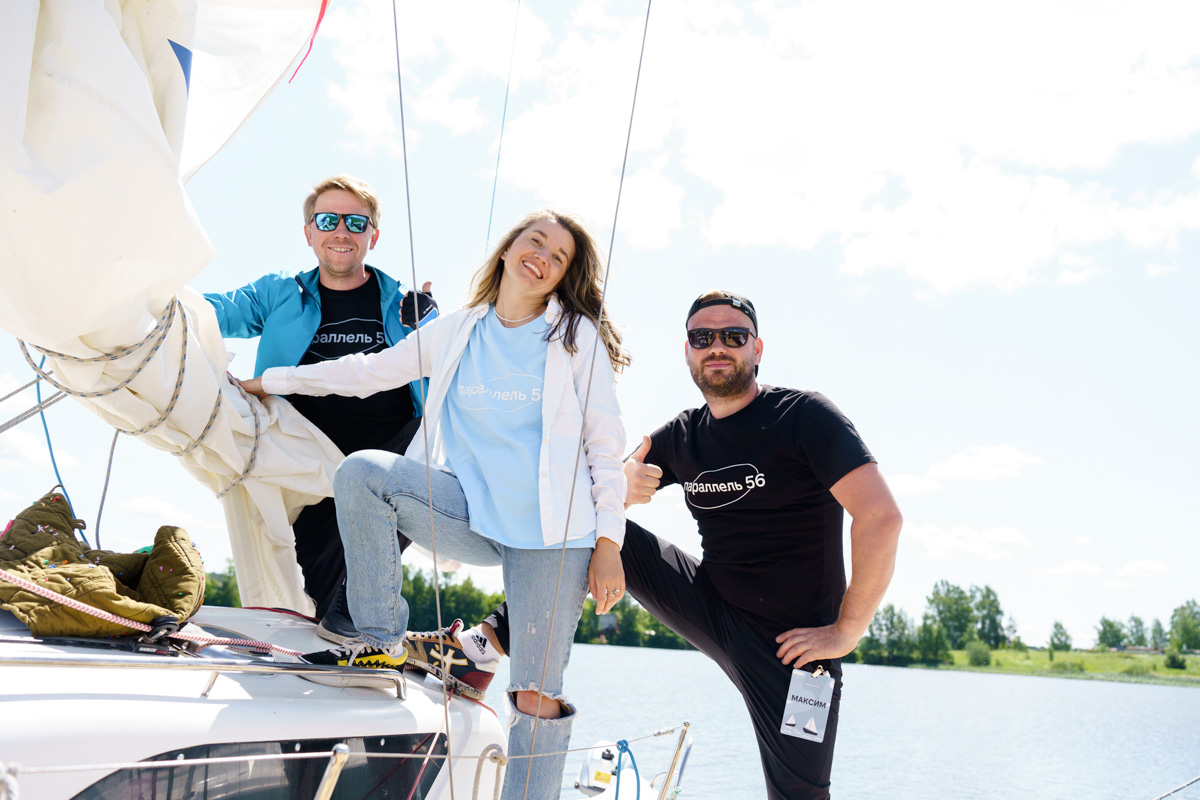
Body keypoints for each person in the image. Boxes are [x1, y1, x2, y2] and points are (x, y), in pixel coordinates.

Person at [241, 209, 629, 800]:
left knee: (535, 696)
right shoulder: (460, 329)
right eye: (535, 242)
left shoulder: (575, 339)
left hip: (555, 537)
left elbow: (604, 448)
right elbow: (368, 372)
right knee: (364, 472)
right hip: (469, 512)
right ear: (507, 249)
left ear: (563, 277)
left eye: (559, 257)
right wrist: (273, 381)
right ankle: (379, 640)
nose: (543, 257)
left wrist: (609, 544)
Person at [620, 290, 903, 800]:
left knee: (799, 796)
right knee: (593, 529)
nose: (717, 347)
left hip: (794, 651)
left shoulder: (804, 416)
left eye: (734, 336)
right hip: (711, 606)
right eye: (702, 337)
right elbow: (601, 492)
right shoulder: (681, 436)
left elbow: (882, 518)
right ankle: (487, 643)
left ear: (758, 348)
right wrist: (617, 489)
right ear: (687, 351)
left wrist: (846, 632)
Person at [204, 175, 436, 637]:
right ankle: (354, 648)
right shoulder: (277, 294)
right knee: (322, 602)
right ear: (309, 232)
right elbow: (211, 311)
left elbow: (449, 372)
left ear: (373, 234)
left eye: (356, 222)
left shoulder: (404, 304)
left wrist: (431, 326)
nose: (341, 232)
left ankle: (375, 635)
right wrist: (143, 293)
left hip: (388, 453)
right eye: (328, 220)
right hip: (304, 459)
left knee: (438, 442)